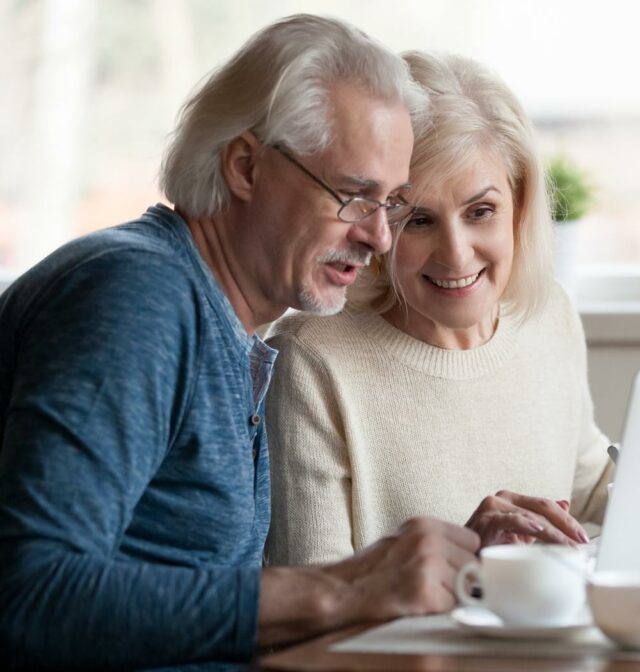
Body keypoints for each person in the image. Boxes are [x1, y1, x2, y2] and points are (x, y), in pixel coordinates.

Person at [0, 15, 479, 670]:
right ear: (247, 166)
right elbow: (31, 598)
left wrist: (470, 564)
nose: (380, 238)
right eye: (353, 195)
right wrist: (337, 590)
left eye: (391, 202)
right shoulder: (137, 298)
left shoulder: (222, 320)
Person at [264, 51, 613, 567]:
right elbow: (312, 605)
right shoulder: (311, 361)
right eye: (419, 220)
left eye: (481, 211)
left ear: (519, 206)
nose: (456, 253)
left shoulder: (548, 317)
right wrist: (461, 562)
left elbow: (586, 490)